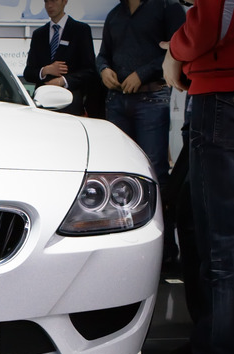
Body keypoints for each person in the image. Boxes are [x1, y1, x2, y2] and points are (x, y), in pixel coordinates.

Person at [153, 0, 234, 354]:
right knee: (195, 218)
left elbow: (217, 16)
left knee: (223, 242)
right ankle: (210, 343)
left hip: (227, 86)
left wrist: (175, 50)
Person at [96, 0, 185, 264]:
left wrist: (142, 73)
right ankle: (122, 248)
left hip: (151, 99)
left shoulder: (167, 8)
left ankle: (166, 250)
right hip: (117, 102)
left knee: (155, 173)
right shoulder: (114, 14)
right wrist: (104, 70)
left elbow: (176, 51)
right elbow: (103, 55)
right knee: (117, 175)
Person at [22, 0, 97, 116]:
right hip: (42, 106)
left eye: (53, 1)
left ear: (64, 1)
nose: (49, 6)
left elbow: (90, 71)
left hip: (71, 105)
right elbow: (28, 73)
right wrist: (45, 70)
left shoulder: (80, 30)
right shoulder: (39, 34)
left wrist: (62, 81)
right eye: (46, 2)